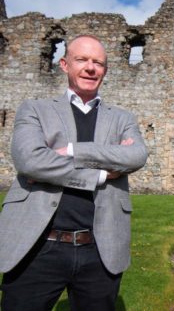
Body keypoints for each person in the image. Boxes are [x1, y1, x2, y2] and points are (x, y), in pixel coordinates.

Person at [0, 35, 149, 310]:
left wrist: (69, 150)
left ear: (105, 70)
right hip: (38, 246)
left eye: (98, 63)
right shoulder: (35, 109)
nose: (91, 68)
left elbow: (136, 155)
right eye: (82, 60)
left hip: (100, 247)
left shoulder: (122, 118)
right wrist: (101, 174)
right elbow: (30, 160)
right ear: (64, 64)